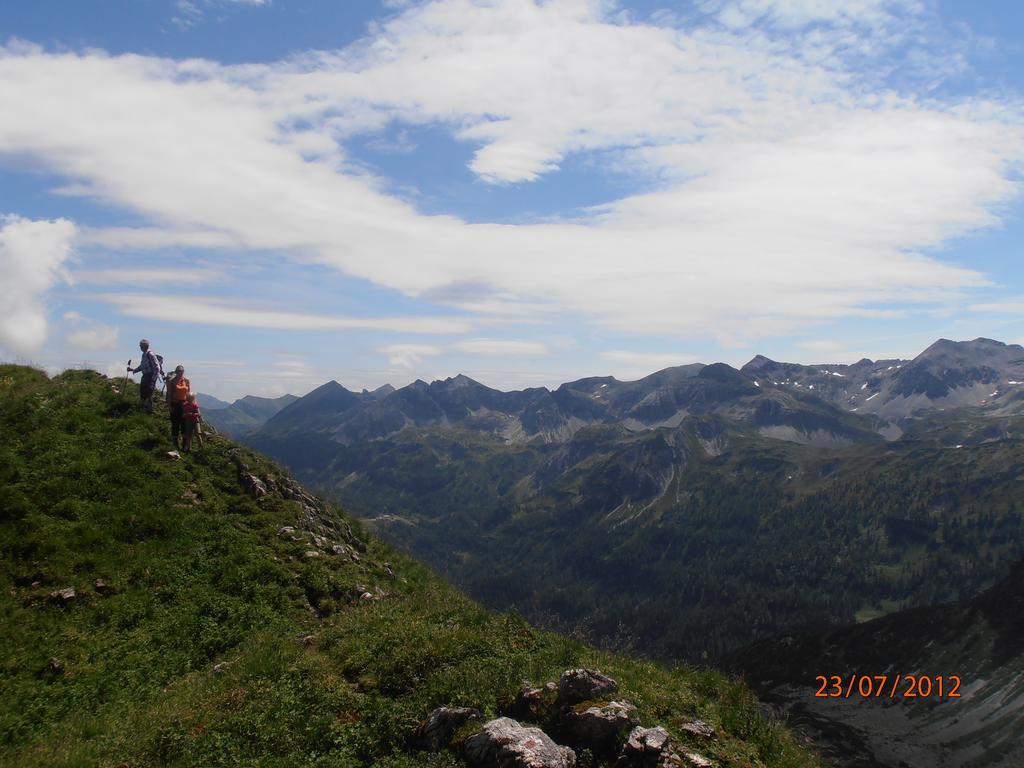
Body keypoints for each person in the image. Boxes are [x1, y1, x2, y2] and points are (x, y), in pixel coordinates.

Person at [128, 339, 163, 413]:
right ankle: (142, 408)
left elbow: (157, 367)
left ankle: (150, 410)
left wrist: (153, 379)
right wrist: (133, 370)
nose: (140, 347)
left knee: (149, 393)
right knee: (143, 392)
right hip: (145, 375)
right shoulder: (144, 354)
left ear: (144, 346)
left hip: (150, 376)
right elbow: (142, 366)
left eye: (141, 346)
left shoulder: (150, 354)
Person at [165, 365, 191, 450]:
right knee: (175, 423)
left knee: (184, 424)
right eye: (179, 371)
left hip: (184, 405)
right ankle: (175, 442)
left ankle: (184, 444)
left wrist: (190, 405)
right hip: (175, 404)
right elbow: (169, 394)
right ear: (176, 372)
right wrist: (169, 405)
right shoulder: (171, 381)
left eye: (182, 371)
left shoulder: (186, 381)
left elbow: (188, 394)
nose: (181, 372)